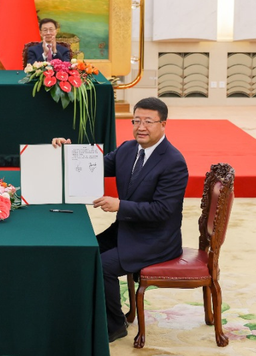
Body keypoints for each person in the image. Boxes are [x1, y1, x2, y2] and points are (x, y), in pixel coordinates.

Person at [52, 97, 188, 343]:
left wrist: (120, 205)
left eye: (148, 121)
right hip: (125, 230)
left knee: (103, 265)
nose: (141, 127)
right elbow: (93, 165)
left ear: (163, 124)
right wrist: (68, 150)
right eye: (136, 121)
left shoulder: (173, 162)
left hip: (155, 240)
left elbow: (162, 211)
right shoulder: (127, 148)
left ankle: (114, 325)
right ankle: (90, 313)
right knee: (84, 252)